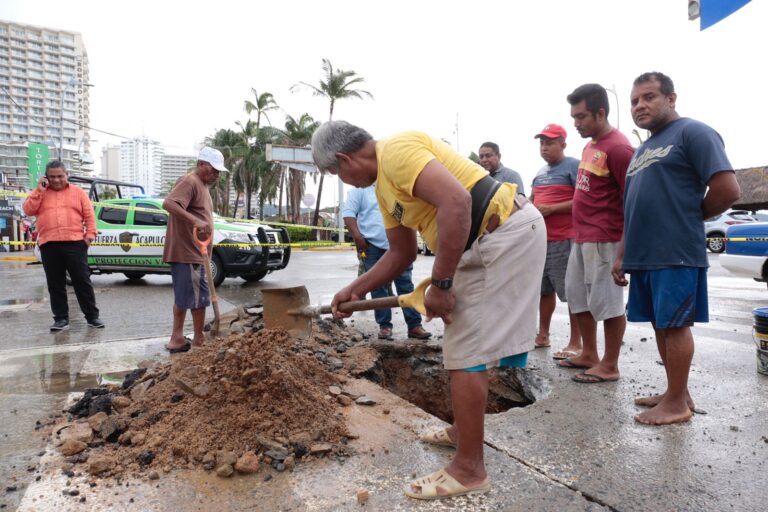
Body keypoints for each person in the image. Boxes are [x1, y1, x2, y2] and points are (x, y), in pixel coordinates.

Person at [312, 121, 545, 500]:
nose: (345, 181)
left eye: (337, 173)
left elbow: (458, 201)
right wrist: (353, 289)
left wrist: (441, 284)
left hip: (501, 233)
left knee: (467, 351)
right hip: (490, 239)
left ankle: (470, 469)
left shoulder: (396, 153)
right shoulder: (383, 190)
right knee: (463, 346)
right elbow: (400, 254)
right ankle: (462, 432)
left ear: (344, 158)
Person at [614, 72, 739, 425]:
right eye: (635, 100)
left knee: (675, 325)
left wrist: (689, 216)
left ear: (671, 98)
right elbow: (632, 206)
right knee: (659, 324)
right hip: (644, 254)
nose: (640, 105)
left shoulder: (693, 132)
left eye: (649, 96)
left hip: (675, 250)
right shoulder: (642, 149)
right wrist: (623, 253)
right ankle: (676, 392)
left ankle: (677, 405)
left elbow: (727, 189)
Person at [559, 84, 634, 383]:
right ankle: (589, 353)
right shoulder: (590, 146)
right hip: (582, 236)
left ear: (600, 113)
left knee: (609, 303)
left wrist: (623, 251)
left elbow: (633, 201)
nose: (575, 123)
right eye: (574, 117)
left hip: (606, 238)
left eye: (581, 117)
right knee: (578, 297)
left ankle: (610, 364)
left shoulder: (619, 148)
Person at [22, 160, 103, 331]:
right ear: (46, 177)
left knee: (82, 281)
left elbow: (89, 216)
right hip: (49, 244)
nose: (57, 180)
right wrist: (39, 190)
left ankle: (92, 317)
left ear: (67, 175)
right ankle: (60, 319)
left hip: (75, 243)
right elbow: (28, 210)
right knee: (55, 284)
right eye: (52, 177)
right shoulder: (40, 193)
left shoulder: (78, 193)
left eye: (60, 176)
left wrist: (89, 237)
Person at [342, 184, 431, 341]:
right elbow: (348, 214)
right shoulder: (359, 189)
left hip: (399, 245)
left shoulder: (395, 184)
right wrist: (358, 237)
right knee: (377, 288)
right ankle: (385, 326)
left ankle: (414, 326)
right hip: (372, 246)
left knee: (405, 285)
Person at [162, 146, 228, 353]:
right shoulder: (190, 181)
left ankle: (177, 338)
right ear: (201, 164)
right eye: (213, 169)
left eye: (219, 171)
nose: (217, 174)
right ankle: (199, 339)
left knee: (184, 297)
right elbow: (169, 204)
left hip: (192, 252)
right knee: (199, 299)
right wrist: (196, 221)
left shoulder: (202, 185)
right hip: (189, 252)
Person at [529, 124, 582, 357]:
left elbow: (582, 200)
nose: (544, 147)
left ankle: (576, 342)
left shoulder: (573, 166)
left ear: (563, 144)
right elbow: (532, 200)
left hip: (565, 240)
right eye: (542, 143)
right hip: (540, 242)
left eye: (549, 142)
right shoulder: (540, 172)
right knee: (544, 291)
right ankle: (543, 334)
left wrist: (552, 209)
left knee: (572, 292)